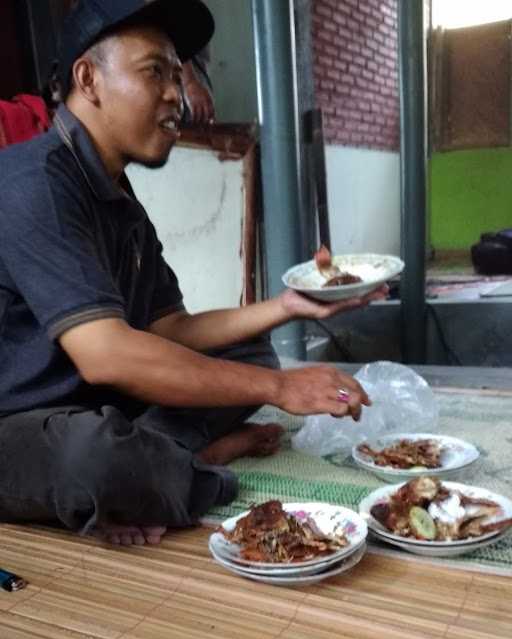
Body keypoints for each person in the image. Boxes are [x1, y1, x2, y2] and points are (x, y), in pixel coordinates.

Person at [0, 0, 384, 548]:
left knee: (250, 352)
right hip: (22, 424)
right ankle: (192, 467)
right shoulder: (33, 181)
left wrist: (286, 306)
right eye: (154, 72)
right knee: (96, 457)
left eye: (177, 77)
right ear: (89, 79)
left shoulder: (121, 203)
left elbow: (170, 329)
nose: (174, 96)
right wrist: (279, 389)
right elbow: (106, 354)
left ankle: (159, 467)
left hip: (100, 403)